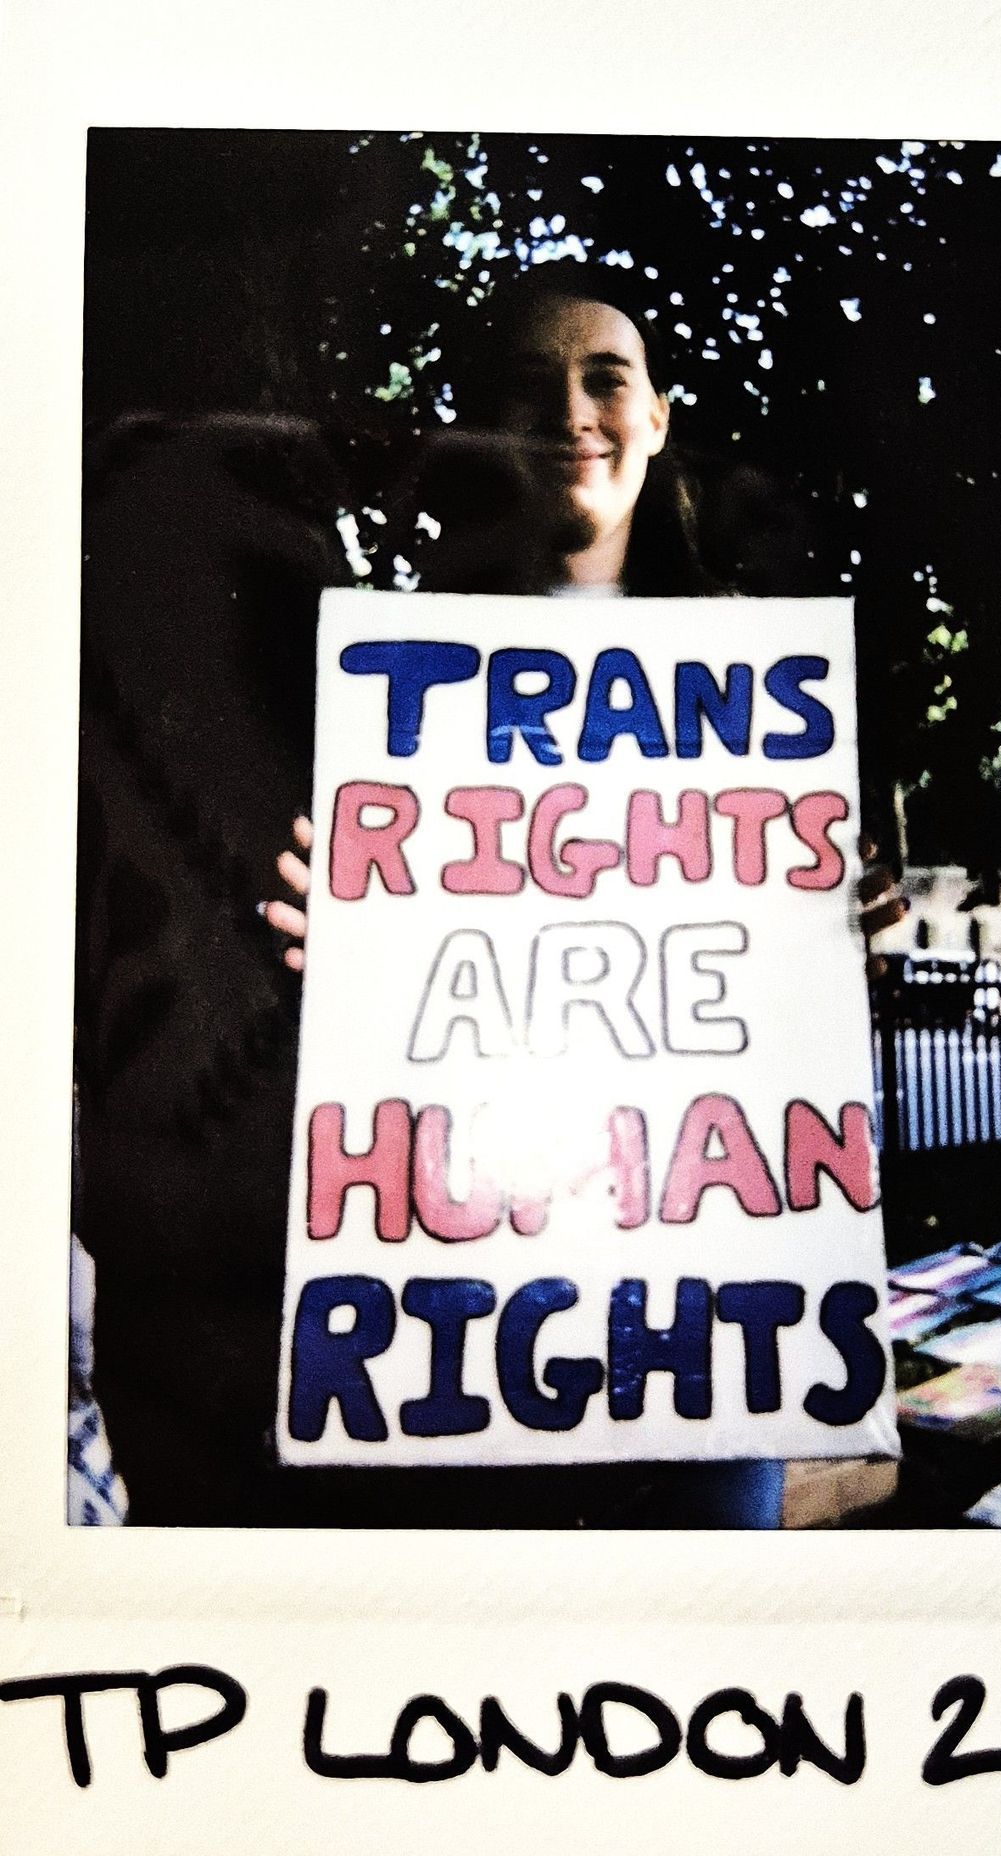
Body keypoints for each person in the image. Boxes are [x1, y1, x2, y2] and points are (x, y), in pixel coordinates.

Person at [263, 272, 905, 1529]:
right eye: (529, 383)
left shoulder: (760, 684)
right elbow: (410, 997)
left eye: (606, 376)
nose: (572, 409)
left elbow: (754, 1017)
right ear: (487, 423)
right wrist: (335, 934)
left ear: (657, 417)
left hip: (708, 1322)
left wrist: (840, 943)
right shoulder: (398, 687)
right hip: (466, 1303)